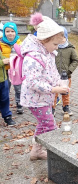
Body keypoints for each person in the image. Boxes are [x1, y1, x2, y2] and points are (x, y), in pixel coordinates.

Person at [20, 12, 69, 160]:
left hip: (43, 97)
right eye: (54, 44)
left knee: (43, 124)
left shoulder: (47, 53)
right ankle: (58, 157)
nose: (56, 48)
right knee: (50, 126)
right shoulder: (33, 56)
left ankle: (36, 151)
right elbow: (33, 82)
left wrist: (59, 82)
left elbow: (52, 73)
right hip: (35, 99)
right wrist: (54, 89)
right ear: (43, 40)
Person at [52, 26, 78, 116]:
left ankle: (66, 106)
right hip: (54, 76)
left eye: (62, 37)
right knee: (54, 93)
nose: (60, 40)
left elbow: (75, 60)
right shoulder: (53, 48)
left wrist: (69, 70)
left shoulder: (70, 49)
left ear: (66, 37)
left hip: (66, 76)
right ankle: (52, 107)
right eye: (58, 37)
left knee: (65, 92)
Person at [0, 22, 23, 114]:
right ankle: (4, 106)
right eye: (7, 31)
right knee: (5, 89)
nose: (10, 33)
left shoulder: (20, 43)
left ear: (16, 32)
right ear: (4, 32)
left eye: (12, 31)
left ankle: (19, 104)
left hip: (16, 71)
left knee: (18, 89)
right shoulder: (1, 43)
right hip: (5, 71)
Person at [0, 49, 16, 126]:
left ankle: (7, 116)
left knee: (5, 98)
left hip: (3, 79)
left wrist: (6, 59)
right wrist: (2, 62)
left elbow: (1, 57)